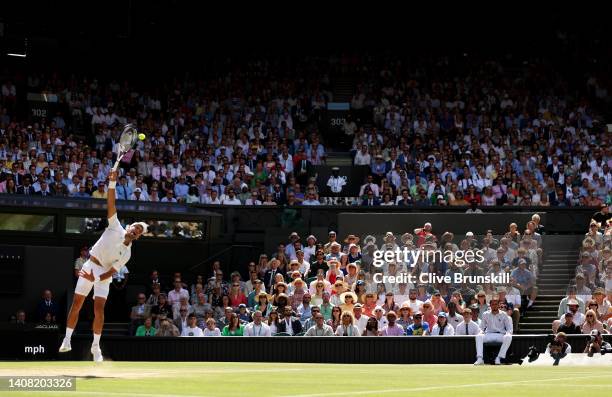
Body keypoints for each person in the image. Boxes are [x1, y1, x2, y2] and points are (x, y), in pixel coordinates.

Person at [59, 170, 147, 362]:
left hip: (103, 275)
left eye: (139, 231)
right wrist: (112, 183)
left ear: (138, 236)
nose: (136, 230)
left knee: (99, 309)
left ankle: (95, 347)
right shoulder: (115, 225)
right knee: (77, 304)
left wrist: (96, 278)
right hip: (91, 264)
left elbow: (112, 272)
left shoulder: (128, 253)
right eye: (136, 227)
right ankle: (67, 339)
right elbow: (111, 202)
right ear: (130, 226)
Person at [474, 296, 513, 365]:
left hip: (500, 335)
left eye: (496, 304)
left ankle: (499, 358)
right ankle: (480, 359)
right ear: (490, 305)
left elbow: (509, 328)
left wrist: (508, 333)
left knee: (509, 337)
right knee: (478, 336)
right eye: (492, 304)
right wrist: (480, 332)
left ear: (498, 305)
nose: (494, 306)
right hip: (489, 335)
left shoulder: (504, 315)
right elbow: (481, 327)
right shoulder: (485, 314)